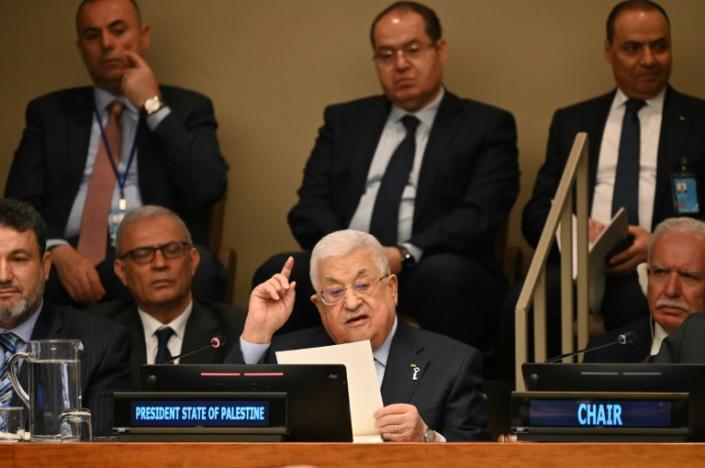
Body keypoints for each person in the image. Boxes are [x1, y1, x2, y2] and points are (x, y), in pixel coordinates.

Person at [254, 1, 519, 349]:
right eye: (386, 54)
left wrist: (404, 254)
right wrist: (347, 258)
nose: (401, 64)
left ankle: (445, 395)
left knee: (446, 277)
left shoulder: (484, 125)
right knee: (280, 272)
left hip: (425, 268)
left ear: (439, 50)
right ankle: (284, 395)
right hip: (344, 270)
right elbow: (309, 207)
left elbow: (479, 214)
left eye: (412, 49)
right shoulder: (345, 121)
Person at [4, 0, 228, 307]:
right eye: (93, 35)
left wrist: (152, 107)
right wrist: (56, 249)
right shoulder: (49, 113)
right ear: (81, 46)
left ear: (144, 36)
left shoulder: (188, 108)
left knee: (199, 270)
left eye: (118, 30)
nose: (107, 43)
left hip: (155, 253)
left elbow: (207, 189)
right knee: (19, 274)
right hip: (65, 256)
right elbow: (18, 203)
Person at [521, 0, 705, 344]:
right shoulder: (573, 121)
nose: (649, 59)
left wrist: (658, 243)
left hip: (659, 267)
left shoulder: (698, 122)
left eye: (660, 46)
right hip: (578, 268)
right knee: (528, 302)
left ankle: (635, 398)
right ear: (609, 50)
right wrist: (576, 234)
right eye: (633, 48)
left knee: (637, 302)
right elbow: (534, 216)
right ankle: (535, 399)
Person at [230, 230, 489, 442]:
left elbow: (478, 460)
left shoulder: (453, 364)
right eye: (334, 291)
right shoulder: (285, 357)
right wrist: (257, 332)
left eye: (363, 285)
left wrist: (427, 439)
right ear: (318, 306)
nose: (352, 302)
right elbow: (218, 428)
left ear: (392, 289)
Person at [0, 198, 132, 436]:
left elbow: (101, 456)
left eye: (18, 259)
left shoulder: (102, 344)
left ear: (46, 266)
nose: (3, 276)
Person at [89, 206, 245, 389]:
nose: (160, 264)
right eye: (142, 254)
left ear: (193, 261)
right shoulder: (96, 332)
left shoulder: (237, 329)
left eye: (172, 250)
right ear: (121, 271)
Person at [585, 217, 705, 362]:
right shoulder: (603, 355)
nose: (671, 291)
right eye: (660, 272)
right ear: (647, 276)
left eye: (688, 276)